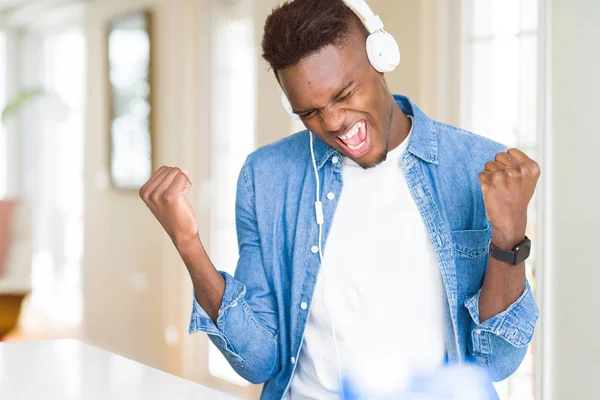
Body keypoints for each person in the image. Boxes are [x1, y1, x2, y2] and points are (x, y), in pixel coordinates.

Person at [139, 0, 540, 399]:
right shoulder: (267, 177)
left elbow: (496, 362)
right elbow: (259, 361)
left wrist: (508, 238)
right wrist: (188, 245)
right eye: (309, 112)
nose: (332, 122)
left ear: (381, 57)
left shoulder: (476, 166)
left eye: (344, 93)